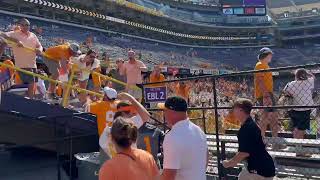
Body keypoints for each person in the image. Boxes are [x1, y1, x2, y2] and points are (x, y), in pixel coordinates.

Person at [223, 98, 275, 180]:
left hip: (259, 168)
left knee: (242, 177)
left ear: (241, 110)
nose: (233, 111)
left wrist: (229, 163)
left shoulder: (246, 128)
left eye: (234, 109)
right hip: (265, 167)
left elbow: (244, 153)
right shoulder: (250, 124)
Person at [158, 96, 208, 180]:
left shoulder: (172, 137)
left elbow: (169, 176)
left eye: (165, 111)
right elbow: (206, 158)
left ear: (171, 112)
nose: (164, 114)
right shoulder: (198, 131)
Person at [2, 18, 43, 98]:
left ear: (29, 26)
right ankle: (30, 102)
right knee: (31, 83)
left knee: (32, 84)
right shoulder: (15, 33)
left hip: (33, 65)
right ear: (20, 26)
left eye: (27, 25)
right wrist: (16, 41)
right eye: (23, 25)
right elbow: (2, 34)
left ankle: (26, 100)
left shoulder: (33, 35)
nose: (25, 26)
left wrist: (39, 50)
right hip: (22, 65)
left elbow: (39, 45)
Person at [254, 47, 282, 149]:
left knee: (265, 119)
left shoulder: (265, 65)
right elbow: (260, 80)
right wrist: (266, 95)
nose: (271, 56)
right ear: (266, 55)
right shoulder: (260, 64)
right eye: (270, 54)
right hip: (265, 95)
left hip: (265, 94)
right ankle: (274, 142)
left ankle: (262, 141)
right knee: (273, 119)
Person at [283, 69, 315, 156]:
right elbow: (313, 76)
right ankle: (299, 151)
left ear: (296, 76)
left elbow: (285, 91)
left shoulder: (291, 84)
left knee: (296, 129)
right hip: (305, 109)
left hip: (294, 109)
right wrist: (308, 72)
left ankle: (298, 149)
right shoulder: (308, 82)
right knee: (301, 130)